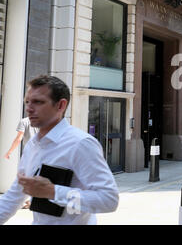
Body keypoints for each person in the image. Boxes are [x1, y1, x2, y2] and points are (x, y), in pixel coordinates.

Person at [0, 75, 119, 225]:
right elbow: (14, 196)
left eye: (38, 102)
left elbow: (109, 199)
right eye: (27, 102)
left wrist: (52, 191)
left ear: (61, 105)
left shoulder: (81, 144)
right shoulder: (32, 145)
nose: (29, 108)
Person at [4, 118, 39, 209]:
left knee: (25, 177)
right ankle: (30, 200)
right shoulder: (44, 119)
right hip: (41, 152)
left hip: (30, 153)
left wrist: (9, 151)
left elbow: (19, 138)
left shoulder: (24, 121)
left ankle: (27, 200)